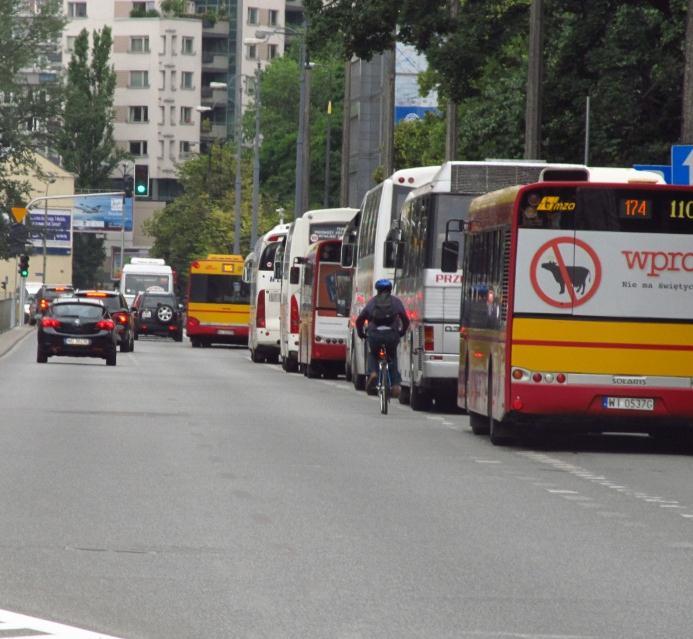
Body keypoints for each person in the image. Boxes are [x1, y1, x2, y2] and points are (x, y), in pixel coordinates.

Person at [355, 279, 410, 398]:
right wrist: (401, 332)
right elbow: (405, 319)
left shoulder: (372, 302)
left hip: (375, 335)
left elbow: (359, 320)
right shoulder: (396, 302)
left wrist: (361, 333)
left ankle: (373, 373)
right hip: (391, 335)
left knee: (373, 354)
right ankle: (395, 384)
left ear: (377, 290)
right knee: (392, 356)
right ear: (390, 290)